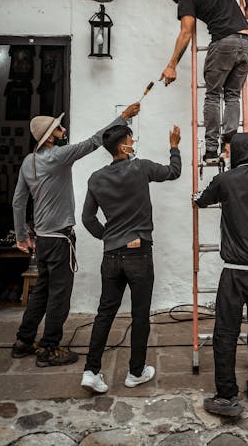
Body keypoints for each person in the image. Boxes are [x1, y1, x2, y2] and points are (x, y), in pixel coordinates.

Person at [11, 103, 140, 367]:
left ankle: (23, 340)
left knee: (41, 291)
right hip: (60, 240)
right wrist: (122, 118)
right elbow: (94, 142)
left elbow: (18, 201)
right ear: (49, 136)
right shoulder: (58, 156)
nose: (63, 129)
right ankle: (49, 348)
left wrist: (22, 235)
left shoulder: (28, 162)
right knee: (59, 295)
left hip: (43, 239)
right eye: (58, 127)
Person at [80, 122, 181, 394]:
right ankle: (135, 372)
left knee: (105, 312)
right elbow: (174, 172)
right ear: (124, 144)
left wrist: (108, 237)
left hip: (111, 255)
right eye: (131, 138)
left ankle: (91, 370)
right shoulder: (141, 168)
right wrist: (174, 146)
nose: (133, 140)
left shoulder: (96, 178)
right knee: (139, 314)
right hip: (138, 252)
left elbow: (87, 219)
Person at [194, 132, 248, 417]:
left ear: (238, 152)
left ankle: (226, 394)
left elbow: (202, 200)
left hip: (236, 272)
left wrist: (208, 187)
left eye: (229, 150)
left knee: (226, 333)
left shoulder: (225, 181)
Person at [159, 0, 248, 163]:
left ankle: (211, 149)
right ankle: (228, 144)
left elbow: (186, 33)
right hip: (246, 43)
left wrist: (172, 66)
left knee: (212, 94)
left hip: (223, 43)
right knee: (233, 95)